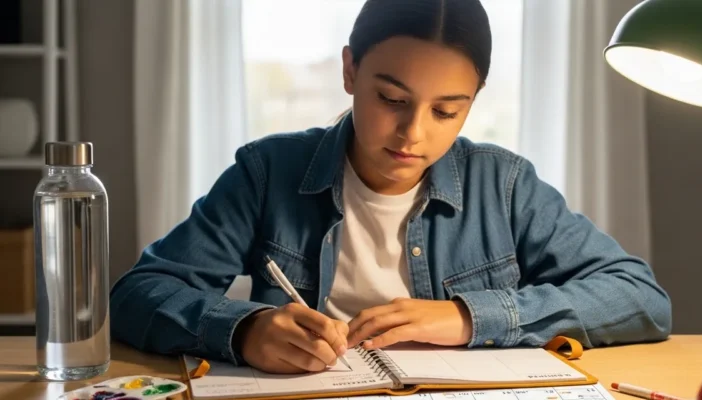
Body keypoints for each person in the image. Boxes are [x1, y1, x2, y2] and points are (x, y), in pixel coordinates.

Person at [109, 0, 671, 375]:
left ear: (474, 98)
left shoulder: (504, 184)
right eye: (392, 100)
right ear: (351, 71)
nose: (413, 133)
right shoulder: (267, 172)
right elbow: (138, 293)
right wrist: (246, 329)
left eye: (447, 110)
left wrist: (469, 318)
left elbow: (641, 298)